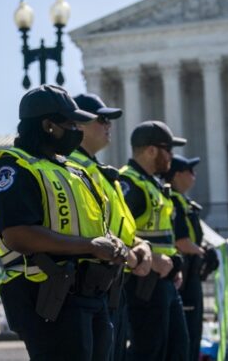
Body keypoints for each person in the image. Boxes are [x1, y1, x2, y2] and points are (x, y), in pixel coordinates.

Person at [0, 85, 129, 361]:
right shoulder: (15, 166)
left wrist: (114, 243)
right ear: (48, 126)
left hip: (92, 295)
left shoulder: (74, 170)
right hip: (49, 296)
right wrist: (89, 246)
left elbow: (95, 226)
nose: (78, 129)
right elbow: (18, 235)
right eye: (72, 123)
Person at [70, 93, 153, 361]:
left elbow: (121, 225)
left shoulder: (101, 170)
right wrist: (132, 255)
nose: (109, 125)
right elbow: (89, 228)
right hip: (94, 280)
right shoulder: (71, 168)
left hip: (115, 279)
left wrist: (141, 246)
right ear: (79, 124)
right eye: (102, 119)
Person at [119, 121, 189, 361]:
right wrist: (153, 259)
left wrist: (172, 265)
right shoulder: (129, 184)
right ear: (151, 151)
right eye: (168, 149)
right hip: (143, 282)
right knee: (148, 351)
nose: (172, 156)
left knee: (177, 350)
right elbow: (116, 232)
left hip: (165, 280)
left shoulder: (152, 183)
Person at [165, 154, 205, 361]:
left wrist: (202, 250)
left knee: (192, 333)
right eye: (190, 171)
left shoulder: (183, 201)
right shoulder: (173, 201)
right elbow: (181, 242)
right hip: (184, 275)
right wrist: (202, 252)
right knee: (185, 336)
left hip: (191, 272)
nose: (194, 175)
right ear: (177, 174)